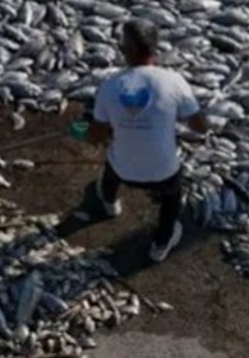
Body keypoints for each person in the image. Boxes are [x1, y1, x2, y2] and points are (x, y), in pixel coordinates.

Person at [72, 18, 210, 262]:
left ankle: (109, 203)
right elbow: (200, 128)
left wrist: (106, 130)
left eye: (123, 45)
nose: (121, 48)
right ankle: (161, 243)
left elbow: (96, 136)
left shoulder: (110, 86)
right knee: (172, 197)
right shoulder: (174, 81)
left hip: (124, 170)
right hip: (164, 174)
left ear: (129, 50)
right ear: (154, 48)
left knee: (111, 168)